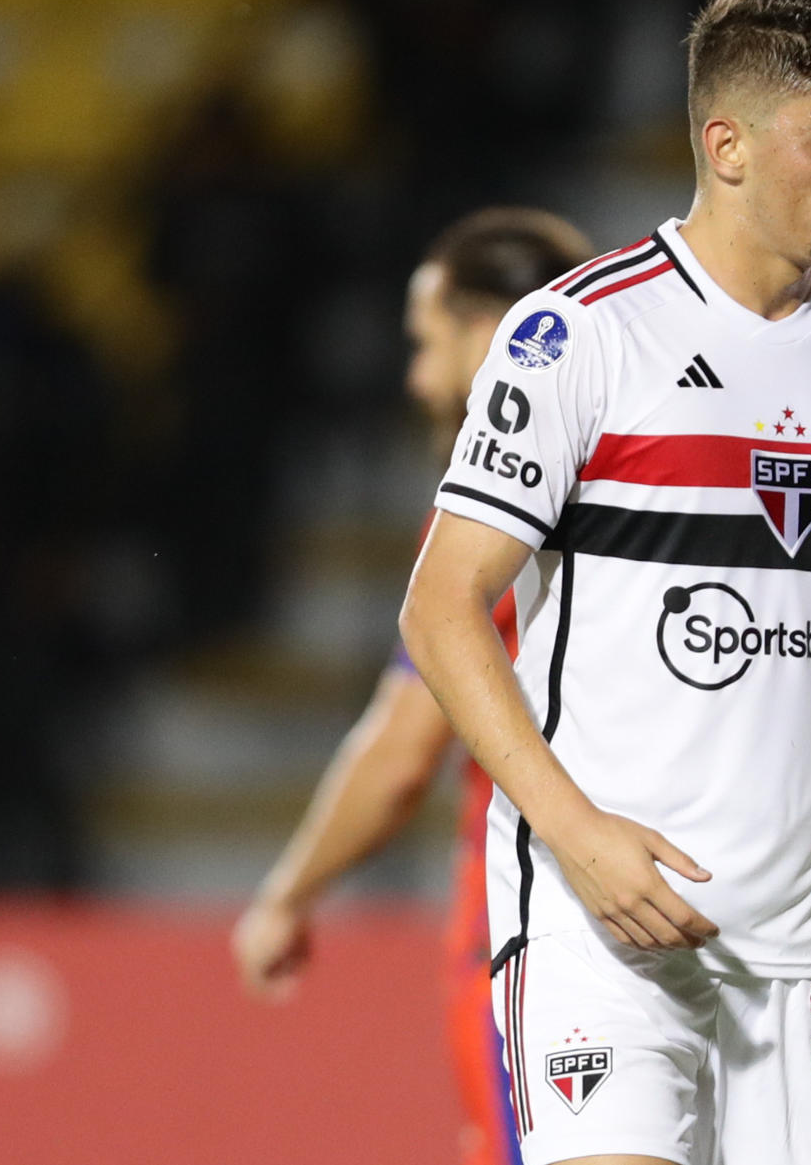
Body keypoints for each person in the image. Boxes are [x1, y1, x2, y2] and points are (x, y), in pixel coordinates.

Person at [397, 0, 811, 1165]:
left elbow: (801, 624)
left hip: (797, 944)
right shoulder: (577, 334)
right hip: (603, 921)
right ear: (728, 145)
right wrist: (576, 833)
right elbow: (442, 611)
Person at [232, 207, 594, 1165]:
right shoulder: (639, 483)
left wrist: (287, 894)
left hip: (533, 930)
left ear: (489, 335)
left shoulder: (503, 531)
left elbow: (401, 749)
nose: (417, 377)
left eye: (428, 343)